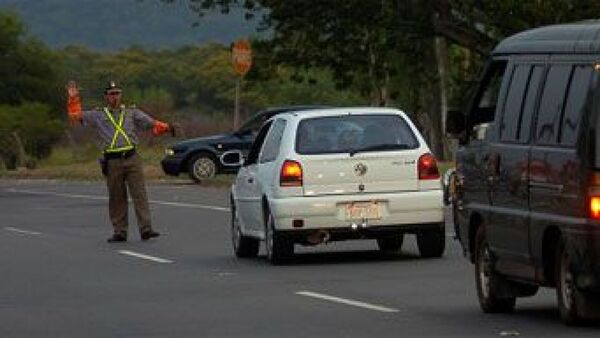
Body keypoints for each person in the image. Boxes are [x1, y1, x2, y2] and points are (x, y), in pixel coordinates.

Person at [66, 80, 173, 242]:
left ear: (121, 95)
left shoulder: (131, 112)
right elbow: (75, 116)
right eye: (111, 94)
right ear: (106, 97)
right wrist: (73, 98)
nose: (115, 97)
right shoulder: (98, 114)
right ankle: (119, 231)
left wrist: (168, 127)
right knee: (117, 197)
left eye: (117, 93)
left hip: (132, 158)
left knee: (140, 194)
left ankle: (146, 229)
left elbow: (151, 123)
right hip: (112, 161)